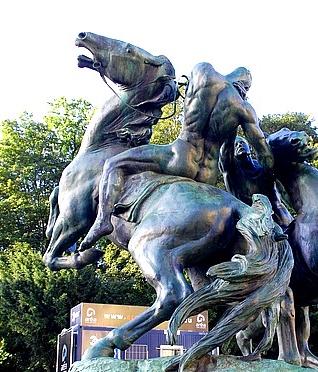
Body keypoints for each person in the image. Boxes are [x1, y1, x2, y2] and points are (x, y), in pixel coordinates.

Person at [80, 62, 274, 250]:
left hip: (181, 157)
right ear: (244, 87)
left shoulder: (205, 73)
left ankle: (103, 221)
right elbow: (261, 156)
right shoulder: (245, 109)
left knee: (114, 164)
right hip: (208, 175)